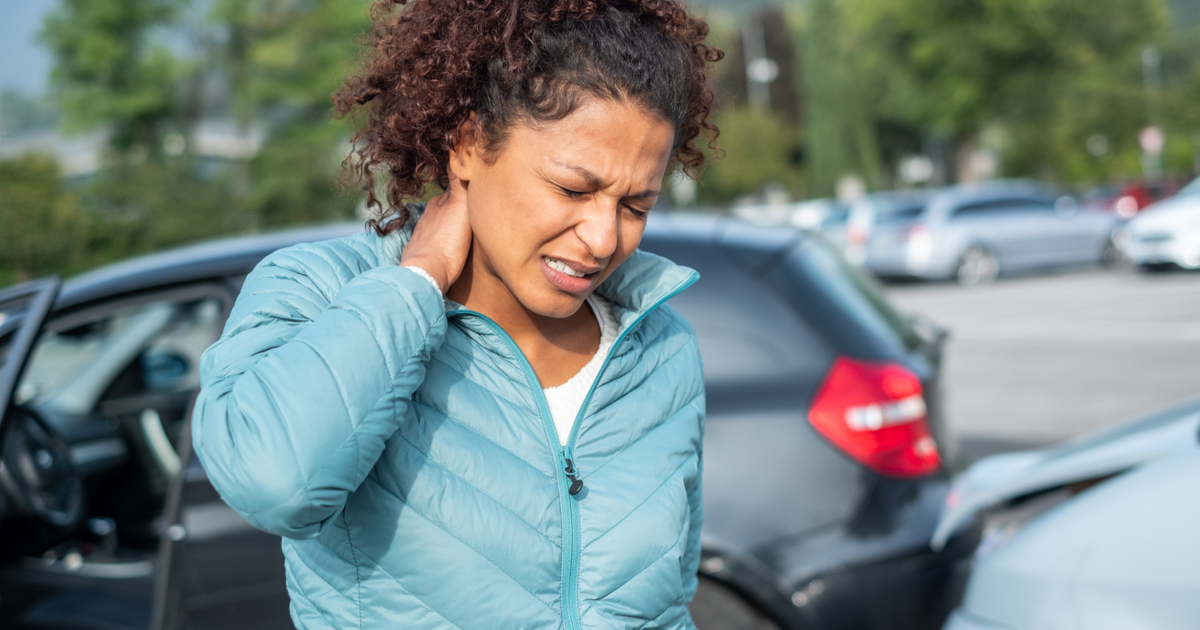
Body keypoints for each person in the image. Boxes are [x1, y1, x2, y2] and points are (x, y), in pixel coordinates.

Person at [192, 1, 722, 628]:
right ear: (468, 144)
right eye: (574, 190)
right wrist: (415, 287)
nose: (604, 239)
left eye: (635, 206)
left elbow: (667, 605)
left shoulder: (661, 348)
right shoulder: (318, 289)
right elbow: (272, 482)